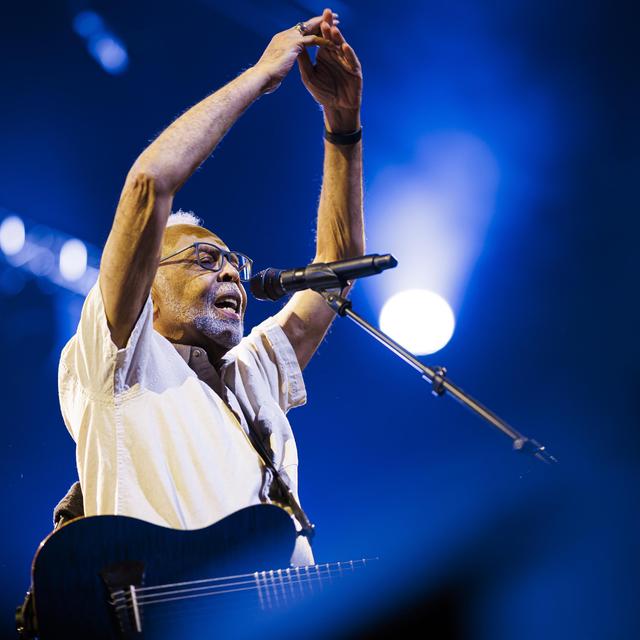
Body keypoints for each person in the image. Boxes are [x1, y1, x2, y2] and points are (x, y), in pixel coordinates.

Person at [57, 8, 364, 567]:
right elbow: (151, 182)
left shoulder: (249, 376)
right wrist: (261, 75)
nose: (230, 273)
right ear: (143, 285)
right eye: (203, 259)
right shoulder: (119, 362)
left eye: (232, 263)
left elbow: (335, 270)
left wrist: (342, 122)